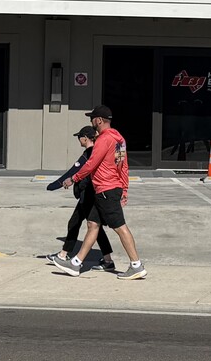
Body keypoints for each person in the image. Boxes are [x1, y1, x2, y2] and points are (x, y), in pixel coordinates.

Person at [53, 104, 146, 280]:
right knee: (93, 224)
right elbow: (123, 165)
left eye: (92, 118)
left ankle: (136, 265)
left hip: (106, 189)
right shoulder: (119, 138)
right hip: (110, 188)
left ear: (99, 120)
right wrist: (124, 189)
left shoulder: (104, 139)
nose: (91, 121)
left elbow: (91, 164)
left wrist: (73, 178)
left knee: (120, 227)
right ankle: (75, 264)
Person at [43, 125, 117, 270]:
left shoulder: (89, 153)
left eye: (79, 137)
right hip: (92, 195)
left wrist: (55, 185)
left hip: (88, 196)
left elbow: (75, 170)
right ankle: (108, 261)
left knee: (76, 223)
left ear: (85, 138)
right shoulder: (95, 151)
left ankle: (63, 255)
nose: (79, 140)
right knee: (95, 228)